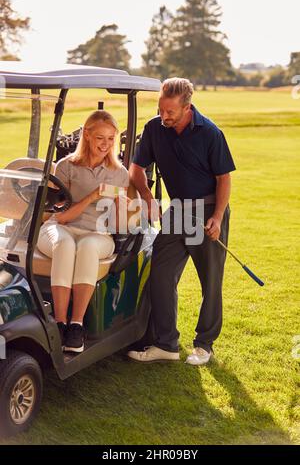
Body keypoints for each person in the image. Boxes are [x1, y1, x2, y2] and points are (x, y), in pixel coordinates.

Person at [127, 78, 236, 365]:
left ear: (187, 107)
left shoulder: (211, 133)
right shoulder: (154, 129)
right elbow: (136, 168)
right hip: (176, 211)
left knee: (210, 282)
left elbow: (224, 178)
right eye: (160, 109)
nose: (164, 116)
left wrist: (216, 217)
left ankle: (203, 345)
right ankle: (166, 345)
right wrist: (148, 197)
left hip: (208, 210)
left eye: (170, 112)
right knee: (161, 277)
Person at [37, 110, 130, 353]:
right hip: (60, 228)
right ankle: (59, 324)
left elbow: (117, 226)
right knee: (66, 245)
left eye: (111, 139)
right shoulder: (66, 167)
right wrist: (92, 196)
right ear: (87, 135)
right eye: (100, 137)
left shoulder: (119, 174)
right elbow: (63, 217)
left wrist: (122, 207)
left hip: (98, 235)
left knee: (87, 246)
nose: (106, 144)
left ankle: (76, 326)